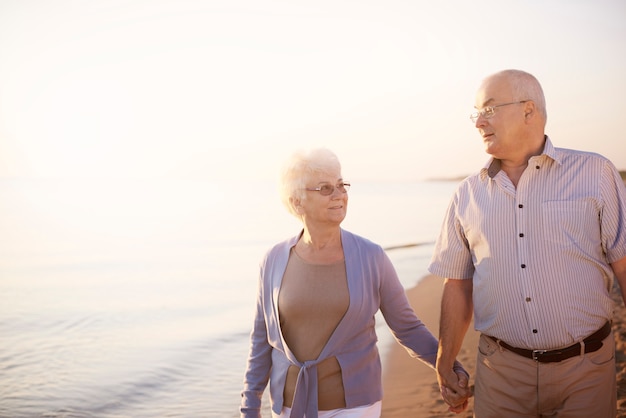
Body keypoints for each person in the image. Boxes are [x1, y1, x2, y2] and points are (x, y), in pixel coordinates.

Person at [429, 69, 626, 417]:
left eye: (488, 109)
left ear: (528, 110)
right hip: (500, 375)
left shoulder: (595, 174)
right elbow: (457, 286)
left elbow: (623, 264)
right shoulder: (467, 195)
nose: (478, 122)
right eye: (476, 113)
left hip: (587, 370)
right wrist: (444, 363)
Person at [239, 148, 468, 418]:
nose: (339, 195)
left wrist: (450, 369)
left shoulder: (372, 257)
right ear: (297, 201)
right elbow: (261, 341)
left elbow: (407, 328)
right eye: (325, 188)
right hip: (289, 405)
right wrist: (250, 406)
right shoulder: (274, 260)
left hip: (355, 406)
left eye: (341, 185)